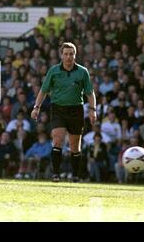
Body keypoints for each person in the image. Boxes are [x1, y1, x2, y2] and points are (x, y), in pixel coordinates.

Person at [31, 42, 97, 182]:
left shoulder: (82, 71)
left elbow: (90, 93)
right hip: (58, 109)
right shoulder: (54, 71)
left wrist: (92, 110)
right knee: (57, 139)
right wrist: (36, 107)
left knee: (74, 145)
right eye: (66, 54)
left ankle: (75, 175)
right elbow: (44, 90)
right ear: (61, 55)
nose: (68, 57)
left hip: (76, 110)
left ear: (75, 55)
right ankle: (55, 174)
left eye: (71, 54)